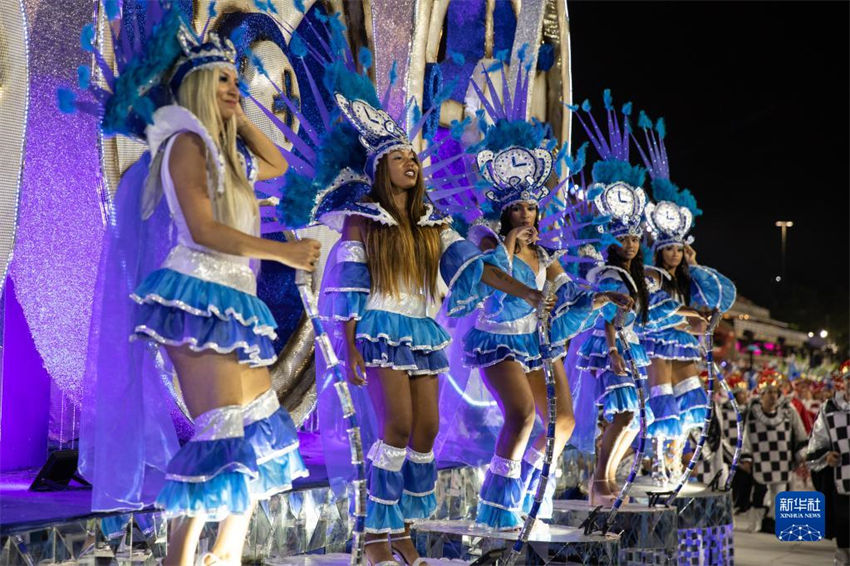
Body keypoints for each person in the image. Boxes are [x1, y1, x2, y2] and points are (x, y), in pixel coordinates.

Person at [73, 10, 319, 565]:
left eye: (237, 79)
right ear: (198, 87)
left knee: (260, 436)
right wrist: (282, 251)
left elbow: (278, 161)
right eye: (225, 80)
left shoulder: (222, 149)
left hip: (232, 297)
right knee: (221, 439)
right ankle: (179, 560)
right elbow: (205, 231)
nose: (236, 87)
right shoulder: (185, 143)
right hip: (196, 296)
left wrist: (234, 115)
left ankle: (223, 559)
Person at [317, 91, 545, 565]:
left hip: (421, 330)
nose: (410, 163)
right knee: (396, 426)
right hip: (380, 328)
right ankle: (376, 538)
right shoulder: (363, 221)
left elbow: (476, 268)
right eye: (398, 157)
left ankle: (402, 531)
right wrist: (350, 342)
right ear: (380, 167)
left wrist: (529, 294)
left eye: (413, 156)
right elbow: (350, 284)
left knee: (427, 431)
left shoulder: (433, 222)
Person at [460, 141, 629, 529]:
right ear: (504, 211)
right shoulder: (484, 237)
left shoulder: (545, 256)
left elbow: (568, 292)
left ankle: (531, 488)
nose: (526, 215)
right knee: (520, 416)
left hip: (537, 344)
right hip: (498, 340)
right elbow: (494, 274)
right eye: (517, 208)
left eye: (531, 207)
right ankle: (499, 507)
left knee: (563, 423)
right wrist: (510, 240)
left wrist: (603, 296)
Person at [739, 369, 808, 533]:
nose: (773, 396)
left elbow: (799, 433)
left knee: (780, 494)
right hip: (760, 461)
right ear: (761, 393)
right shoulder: (751, 412)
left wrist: (802, 455)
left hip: (783, 461)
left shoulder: (789, 410)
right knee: (759, 493)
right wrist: (746, 456)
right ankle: (755, 522)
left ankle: (775, 522)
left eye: (775, 392)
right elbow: (745, 436)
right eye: (769, 392)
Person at [807, 361, 850, 566]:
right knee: (843, 538)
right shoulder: (829, 408)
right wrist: (826, 457)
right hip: (841, 483)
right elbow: (818, 442)